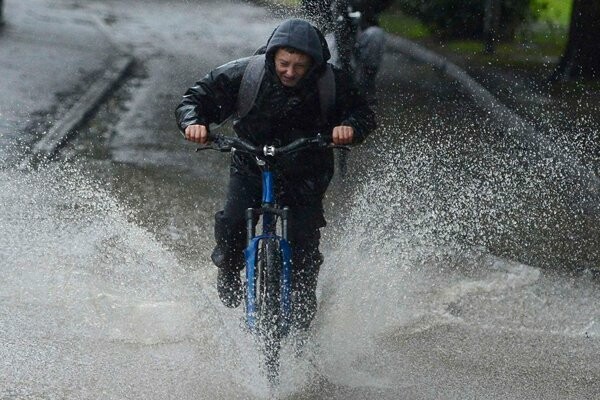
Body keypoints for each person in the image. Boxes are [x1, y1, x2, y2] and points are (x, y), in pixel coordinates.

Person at [175, 18, 376, 331]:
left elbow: (363, 112)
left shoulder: (333, 82)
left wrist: (349, 128)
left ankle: (303, 293)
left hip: (307, 167)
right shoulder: (245, 73)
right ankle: (228, 266)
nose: (290, 72)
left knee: (304, 238)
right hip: (250, 161)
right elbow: (194, 99)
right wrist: (194, 124)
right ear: (272, 57)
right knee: (232, 222)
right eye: (284, 63)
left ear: (314, 64)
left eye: (299, 66)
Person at [302, 0, 392, 103]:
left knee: (376, 36)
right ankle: (332, 87)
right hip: (332, 32)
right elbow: (309, 6)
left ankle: (365, 85)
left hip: (362, 30)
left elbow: (382, 5)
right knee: (330, 48)